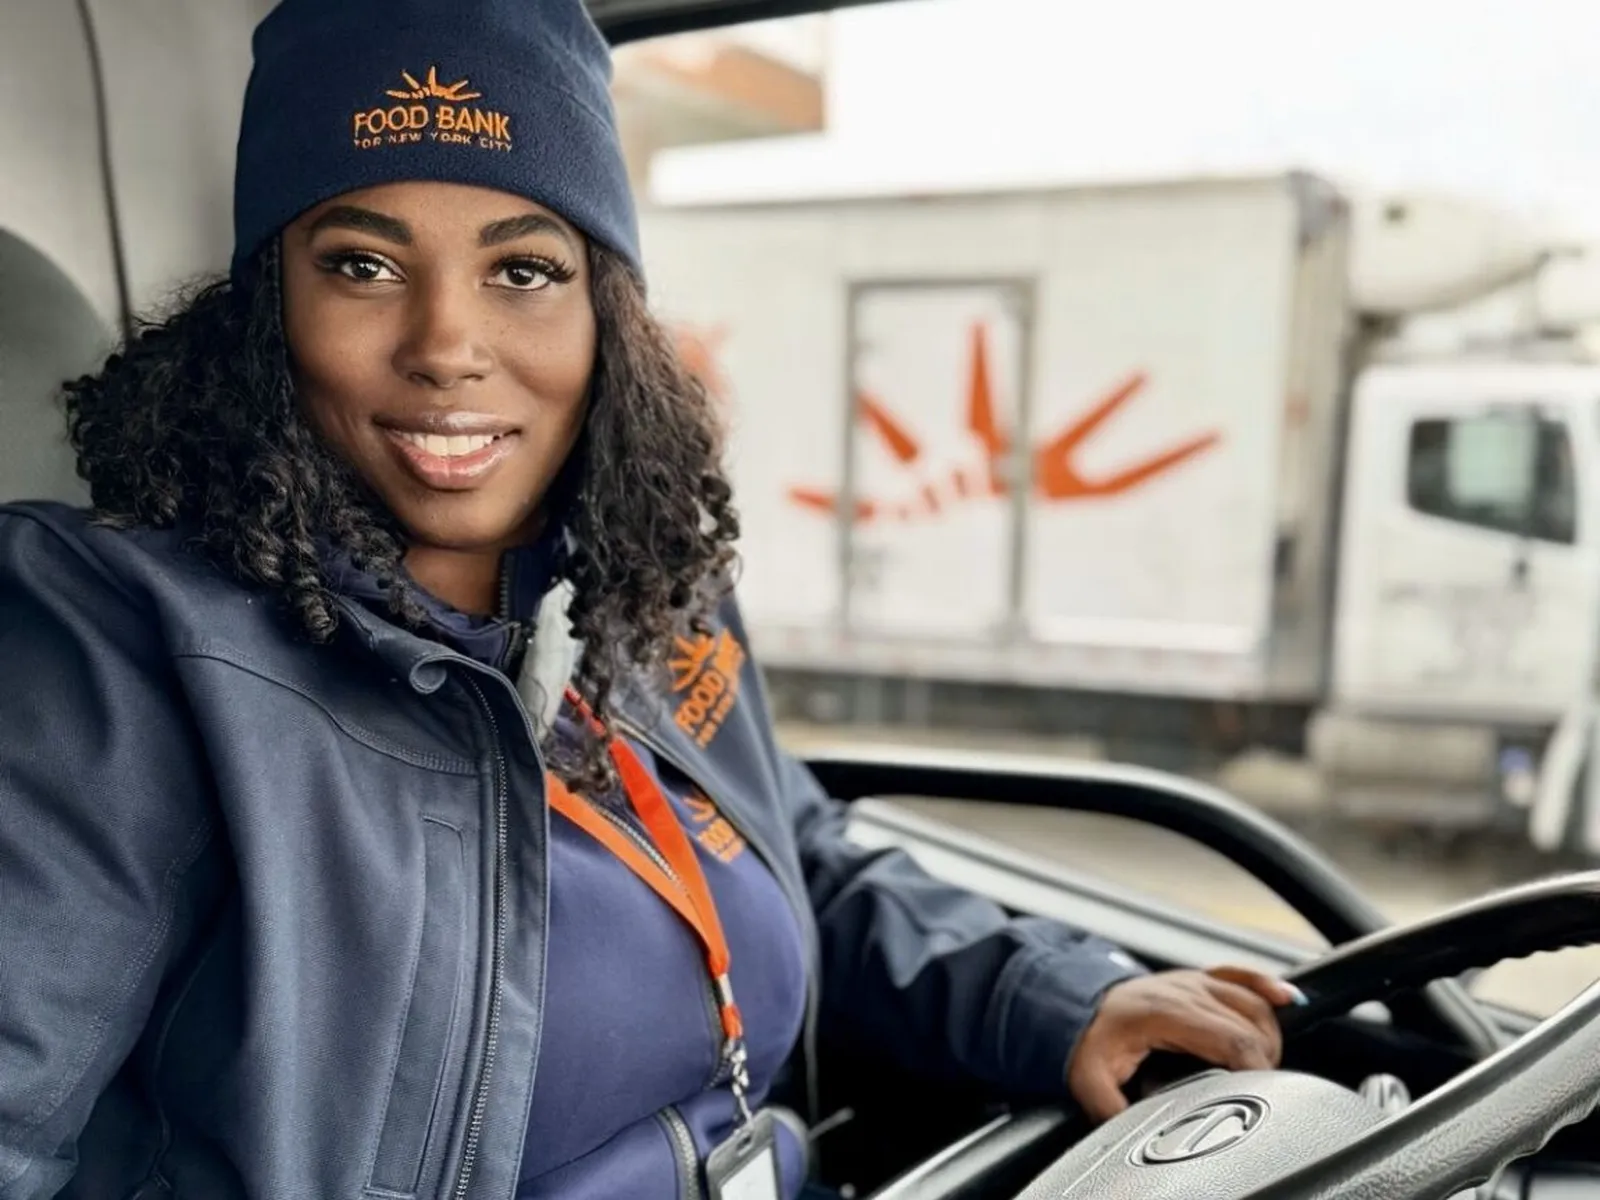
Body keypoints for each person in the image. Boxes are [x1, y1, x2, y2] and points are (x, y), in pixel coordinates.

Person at [0, 1, 1298, 1197]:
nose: (448, 344)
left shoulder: (644, 582)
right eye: (362, 265)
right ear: (265, 313)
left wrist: (1045, 997)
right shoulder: (117, 649)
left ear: (602, 310)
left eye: (523, 269)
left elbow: (796, 864)